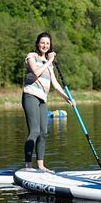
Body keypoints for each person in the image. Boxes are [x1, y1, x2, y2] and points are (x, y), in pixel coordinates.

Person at [22, 32, 75, 172]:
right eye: (42, 42)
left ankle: (40, 165)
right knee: (34, 130)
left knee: (43, 132)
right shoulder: (31, 56)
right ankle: (27, 166)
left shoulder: (49, 66)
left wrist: (68, 99)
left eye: (47, 43)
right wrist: (49, 61)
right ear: (37, 43)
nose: (45, 45)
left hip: (42, 99)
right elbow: (35, 72)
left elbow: (56, 86)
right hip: (30, 96)